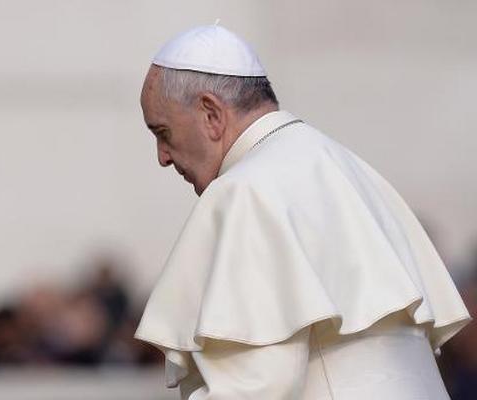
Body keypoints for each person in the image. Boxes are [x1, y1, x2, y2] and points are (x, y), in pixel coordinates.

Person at [134, 23, 472, 399]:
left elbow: (254, 387)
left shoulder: (243, 192)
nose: (163, 157)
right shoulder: (350, 168)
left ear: (211, 114)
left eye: (162, 132)